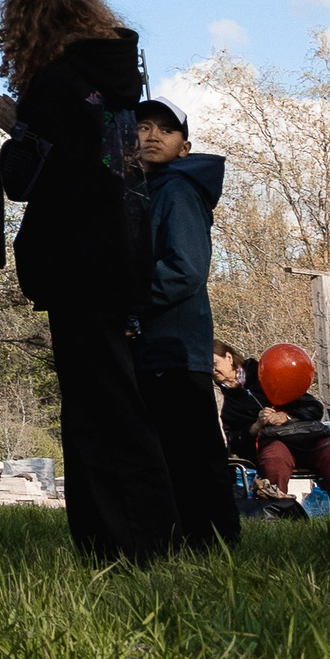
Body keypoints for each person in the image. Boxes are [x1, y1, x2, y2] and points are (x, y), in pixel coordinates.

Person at [0, 0, 174, 561]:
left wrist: (17, 130)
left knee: (94, 405)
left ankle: (117, 542)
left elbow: (26, 179)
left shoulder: (54, 83)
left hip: (76, 259)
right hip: (122, 254)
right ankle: (143, 533)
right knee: (118, 396)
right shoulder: (116, 79)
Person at [132, 98, 238, 551]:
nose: (153, 136)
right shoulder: (146, 190)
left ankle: (215, 545)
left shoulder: (177, 189)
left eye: (166, 129)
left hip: (174, 346)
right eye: (143, 126)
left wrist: (128, 304)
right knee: (170, 453)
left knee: (193, 453)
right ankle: (181, 543)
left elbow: (186, 269)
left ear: (184, 146)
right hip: (157, 346)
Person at [217, 343, 330, 518]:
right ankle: (275, 518)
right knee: (274, 459)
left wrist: (286, 416)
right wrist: (254, 427)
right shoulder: (218, 396)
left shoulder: (267, 372)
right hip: (269, 440)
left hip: (304, 435)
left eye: (214, 363)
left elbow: (314, 408)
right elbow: (229, 439)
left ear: (229, 358)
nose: (212, 370)